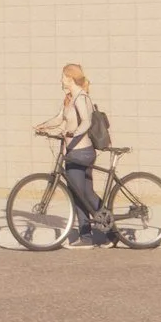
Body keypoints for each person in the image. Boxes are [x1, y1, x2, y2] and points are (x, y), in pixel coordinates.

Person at [33, 63, 103, 243]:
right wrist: (43, 126)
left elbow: (86, 122)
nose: (61, 80)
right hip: (72, 151)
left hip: (82, 152)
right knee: (87, 194)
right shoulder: (69, 98)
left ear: (70, 78)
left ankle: (86, 237)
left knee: (78, 194)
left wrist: (73, 133)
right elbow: (59, 119)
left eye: (63, 76)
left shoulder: (81, 98)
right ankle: (111, 231)